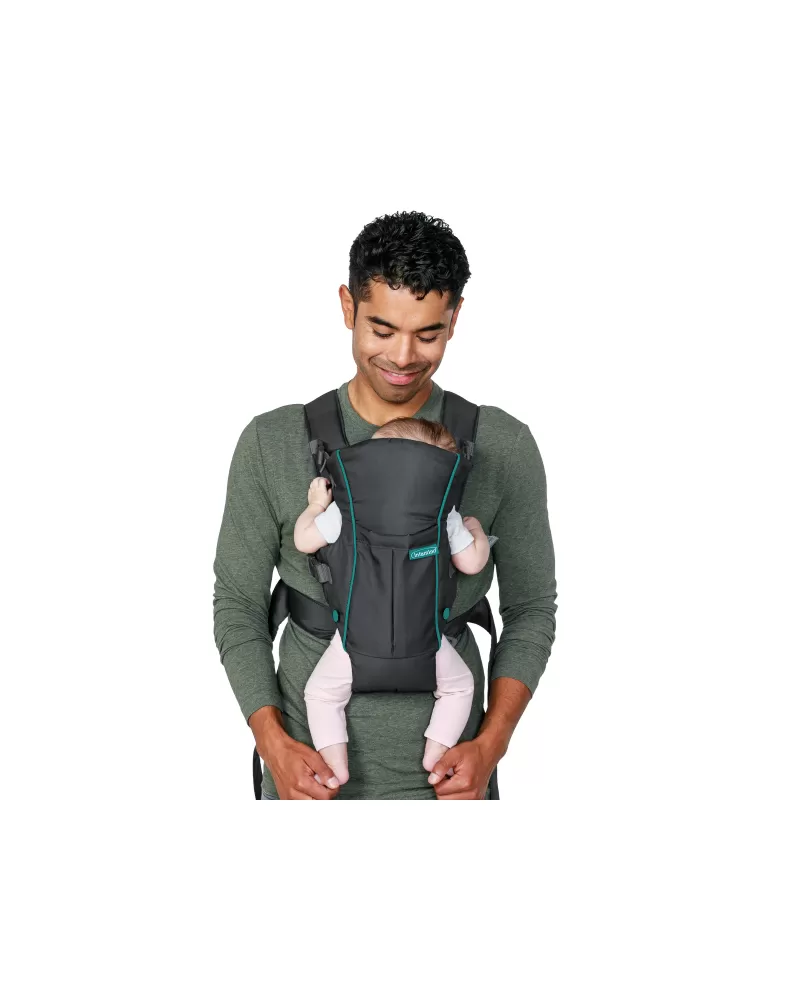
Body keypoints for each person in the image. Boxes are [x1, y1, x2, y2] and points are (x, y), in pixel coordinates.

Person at [212, 209, 558, 800]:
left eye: (428, 334)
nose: (402, 356)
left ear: (455, 318)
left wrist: (491, 745)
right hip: (305, 783)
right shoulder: (273, 442)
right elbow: (238, 607)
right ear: (347, 307)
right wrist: (273, 747)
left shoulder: (502, 445)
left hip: (453, 786)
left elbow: (531, 610)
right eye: (382, 329)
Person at [294, 416, 492, 785]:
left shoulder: (346, 508)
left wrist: (316, 505)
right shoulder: (444, 514)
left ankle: (335, 768)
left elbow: (304, 541)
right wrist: (475, 529)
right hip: (427, 644)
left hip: (353, 643)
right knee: (460, 687)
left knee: (320, 696)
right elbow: (472, 563)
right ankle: (436, 757)